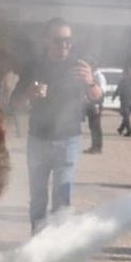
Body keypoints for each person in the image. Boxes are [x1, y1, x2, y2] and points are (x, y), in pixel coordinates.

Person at [11, 18, 103, 235]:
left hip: (68, 139)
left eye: (68, 40)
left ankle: (56, 252)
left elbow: (98, 98)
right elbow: (15, 103)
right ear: (46, 41)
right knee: (38, 198)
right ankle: (37, 245)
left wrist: (90, 81)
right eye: (58, 40)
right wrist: (28, 95)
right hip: (38, 140)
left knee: (62, 199)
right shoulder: (34, 66)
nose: (65, 45)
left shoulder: (79, 66)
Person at [84, 62, 109, 154]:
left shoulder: (99, 77)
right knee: (93, 126)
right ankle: (94, 146)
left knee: (96, 126)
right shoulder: (94, 75)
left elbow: (101, 92)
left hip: (96, 103)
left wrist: (97, 105)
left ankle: (97, 147)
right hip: (91, 103)